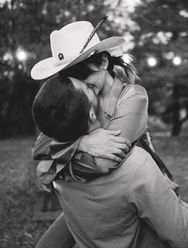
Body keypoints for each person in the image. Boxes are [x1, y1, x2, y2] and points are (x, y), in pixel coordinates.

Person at [31, 19, 179, 246]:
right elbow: (40, 145)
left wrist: (52, 168)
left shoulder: (133, 97)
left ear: (102, 62)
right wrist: (81, 143)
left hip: (137, 193)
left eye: (86, 81)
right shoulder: (79, 95)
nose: (80, 88)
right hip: (90, 197)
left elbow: (103, 162)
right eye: (74, 82)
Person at [32, 75, 188, 248]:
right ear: (91, 113)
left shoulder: (51, 167)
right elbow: (183, 237)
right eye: (87, 87)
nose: (94, 88)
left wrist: (78, 143)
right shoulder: (135, 165)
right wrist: (181, 205)